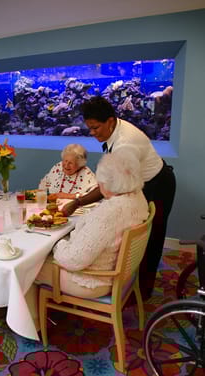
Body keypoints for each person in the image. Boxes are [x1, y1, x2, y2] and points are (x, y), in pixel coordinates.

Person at [62, 96, 176, 300]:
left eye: (96, 127)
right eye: (89, 128)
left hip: (158, 184)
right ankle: (130, 282)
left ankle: (142, 292)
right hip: (141, 180)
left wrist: (78, 202)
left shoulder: (126, 145)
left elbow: (110, 186)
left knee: (151, 239)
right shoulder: (115, 131)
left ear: (111, 121)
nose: (92, 133)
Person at [36, 148, 149, 298]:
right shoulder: (138, 197)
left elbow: (73, 260)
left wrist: (57, 244)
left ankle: (30, 319)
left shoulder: (110, 212)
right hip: (118, 272)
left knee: (29, 267)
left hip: (93, 280)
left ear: (107, 184)